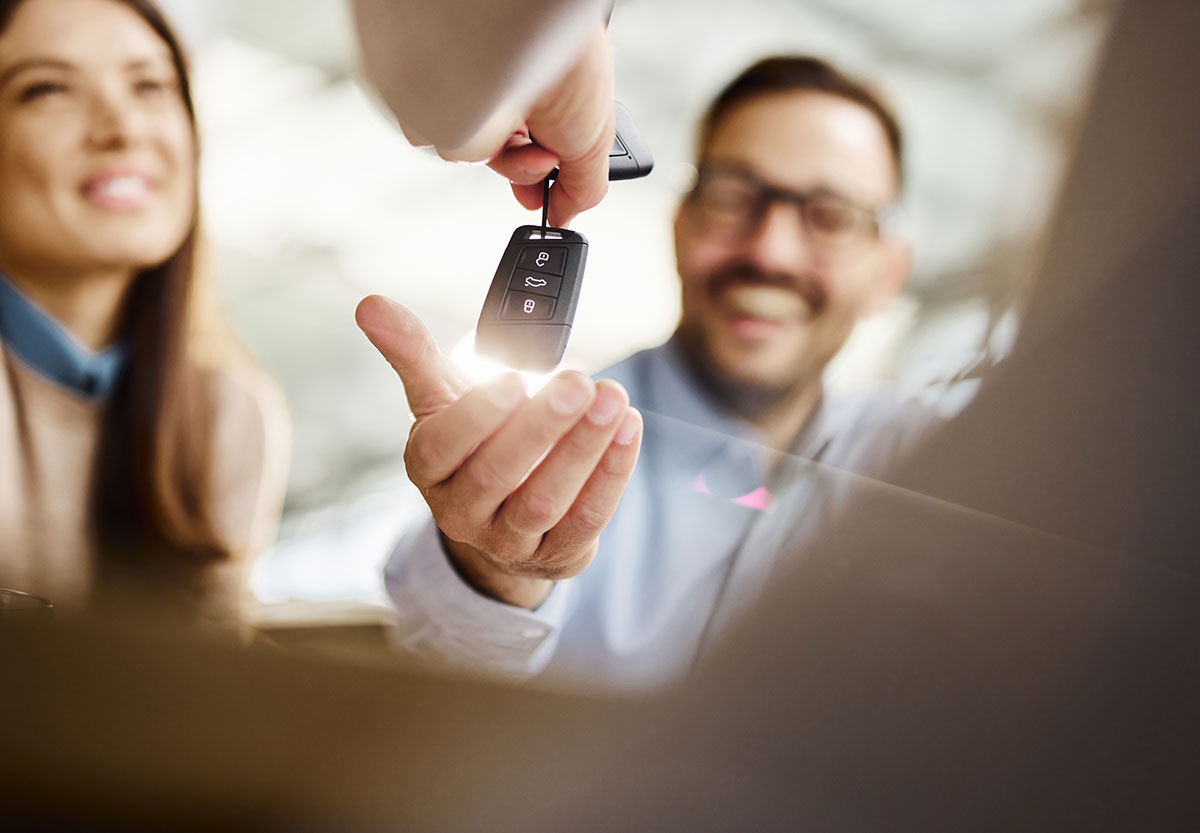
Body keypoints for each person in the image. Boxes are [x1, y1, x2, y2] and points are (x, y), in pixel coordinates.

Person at [357, 56, 934, 692]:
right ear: (681, 225)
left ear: (889, 273)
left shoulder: (947, 463)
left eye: (830, 216)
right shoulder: (550, 439)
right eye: (734, 198)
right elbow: (439, 656)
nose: (770, 251)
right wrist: (497, 570)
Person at [0, 0, 289, 620]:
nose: (122, 128)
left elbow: (201, 699)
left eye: (150, 86)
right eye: (47, 89)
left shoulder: (227, 416)